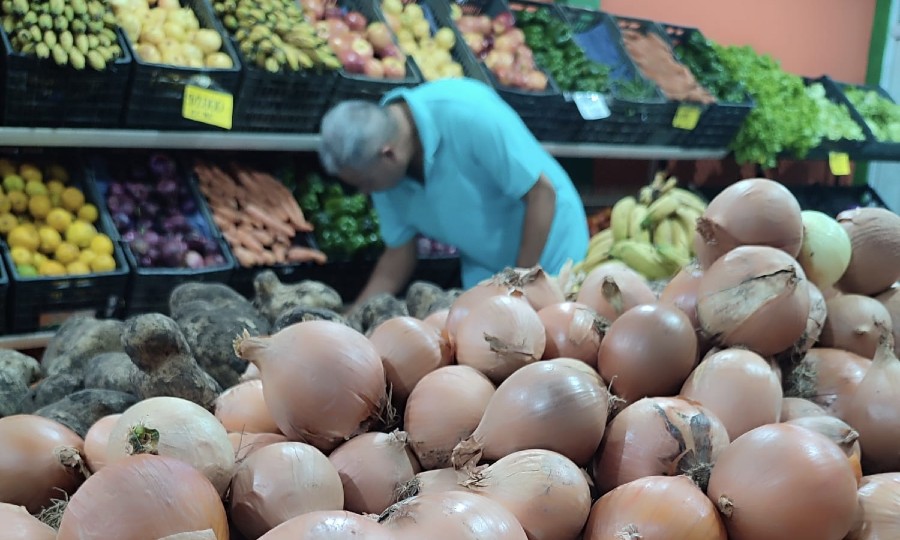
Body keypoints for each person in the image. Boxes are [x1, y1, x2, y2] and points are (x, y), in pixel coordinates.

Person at [318, 77, 589, 309]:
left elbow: (541, 193)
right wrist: (353, 317)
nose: (365, 192)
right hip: (486, 272)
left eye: (366, 182)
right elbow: (398, 254)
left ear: (388, 154)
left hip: (552, 258)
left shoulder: (469, 113)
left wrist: (520, 286)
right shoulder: (383, 170)